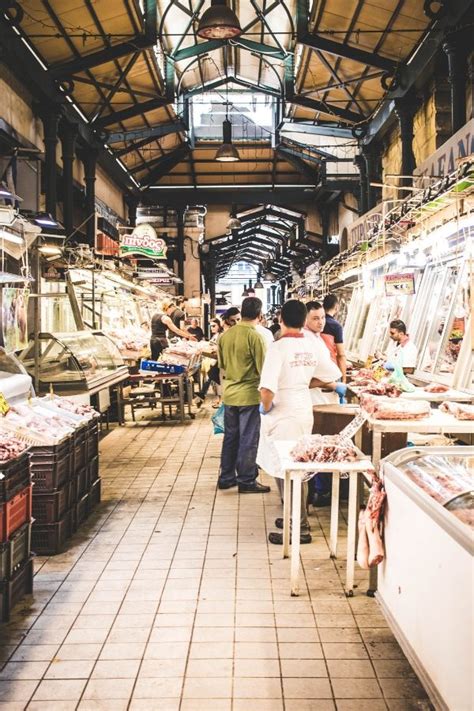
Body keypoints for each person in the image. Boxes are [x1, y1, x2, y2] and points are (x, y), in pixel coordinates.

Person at [258, 300, 337, 545]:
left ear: (280, 318)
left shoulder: (278, 348)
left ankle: (299, 527)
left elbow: (267, 389)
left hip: (284, 413)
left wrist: (266, 407)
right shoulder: (312, 344)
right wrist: (302, 383)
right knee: (296, 467)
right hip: (303, 410)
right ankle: (292, 516)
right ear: (303, 320)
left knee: (288, 470)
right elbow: (330, 376)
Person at [218, 297, 270, 494]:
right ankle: (247, 480)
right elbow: (263, 369)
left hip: (230, 394)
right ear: (259, 315)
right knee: (248, 438)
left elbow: (222, 365)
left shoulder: (225, 336)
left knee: (230, 437)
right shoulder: (255, 337)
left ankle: (226, 477)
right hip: (249, 395)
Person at [304, 301, 348, 507]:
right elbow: (304, 379)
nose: (321, 322)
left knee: (326, 442)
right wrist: (332, 383)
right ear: (305, 319)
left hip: (326, 398)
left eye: (322, 317)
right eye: (315, 318)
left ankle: (322, 490)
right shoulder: (305, 341)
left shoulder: (318, 338)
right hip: (316, 400)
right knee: (318, 443)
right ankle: (318, 491)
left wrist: (336, 383)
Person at [195, 319, 223, 407]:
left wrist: (204, 351)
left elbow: (216, 349)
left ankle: (203, 395)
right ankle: (203, 395)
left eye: (214, 326)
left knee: (212, 377)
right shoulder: (216, 335)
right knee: (211, 377)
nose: (212, 328)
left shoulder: (221, 335)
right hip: (215, 361)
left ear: (219, 325)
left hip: (219, 362)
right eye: (211, 326)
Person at [321, 293, 347, 382]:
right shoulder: (336, 326)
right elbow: (341, 355)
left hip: (315, 369)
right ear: (336, 307)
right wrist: (344, 378)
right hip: (331, 369)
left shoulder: (313, 325)